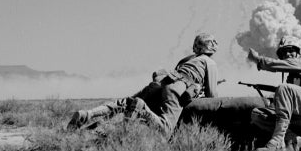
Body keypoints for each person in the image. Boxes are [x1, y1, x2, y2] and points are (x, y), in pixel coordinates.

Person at [68, 33, 220, 136]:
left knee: (125, 103)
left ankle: (88, 115)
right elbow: (212, 95)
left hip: (162, 81)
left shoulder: (186, 59)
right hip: (176, 88)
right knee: (165, 130)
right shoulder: (209, 62)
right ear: (211, 47)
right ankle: (143, 109)